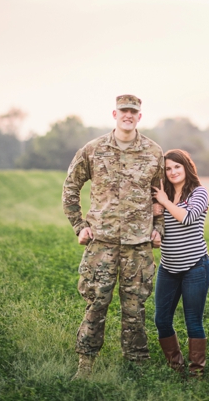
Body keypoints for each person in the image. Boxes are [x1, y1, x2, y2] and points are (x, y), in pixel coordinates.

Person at [62, 94, 165, 379]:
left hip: (139, 245)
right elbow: (70, 187)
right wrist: (78, 225)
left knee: (135, 308)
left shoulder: (154, 152)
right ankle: (86, 365)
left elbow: (160, 196)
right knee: (96, 303)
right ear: (114, 114)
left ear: (140, 116)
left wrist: (159, 228)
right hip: (102, 243)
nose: (128, 115)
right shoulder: (93, 149)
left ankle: (136, 366)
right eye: (124, 111)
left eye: (133, 111)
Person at [151, 149, 209, 378]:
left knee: (193, 321)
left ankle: (197, 373)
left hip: (196, 266)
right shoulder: (161, 195)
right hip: (168, 267)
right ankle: (176, 367)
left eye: (177, 166)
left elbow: (186, 218)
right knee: (162, 320)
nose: (173, 171)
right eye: (168, 168)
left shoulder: (199, 193)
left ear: (187, 167)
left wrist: (164, 203)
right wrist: (154, 214)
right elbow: (156, 228)